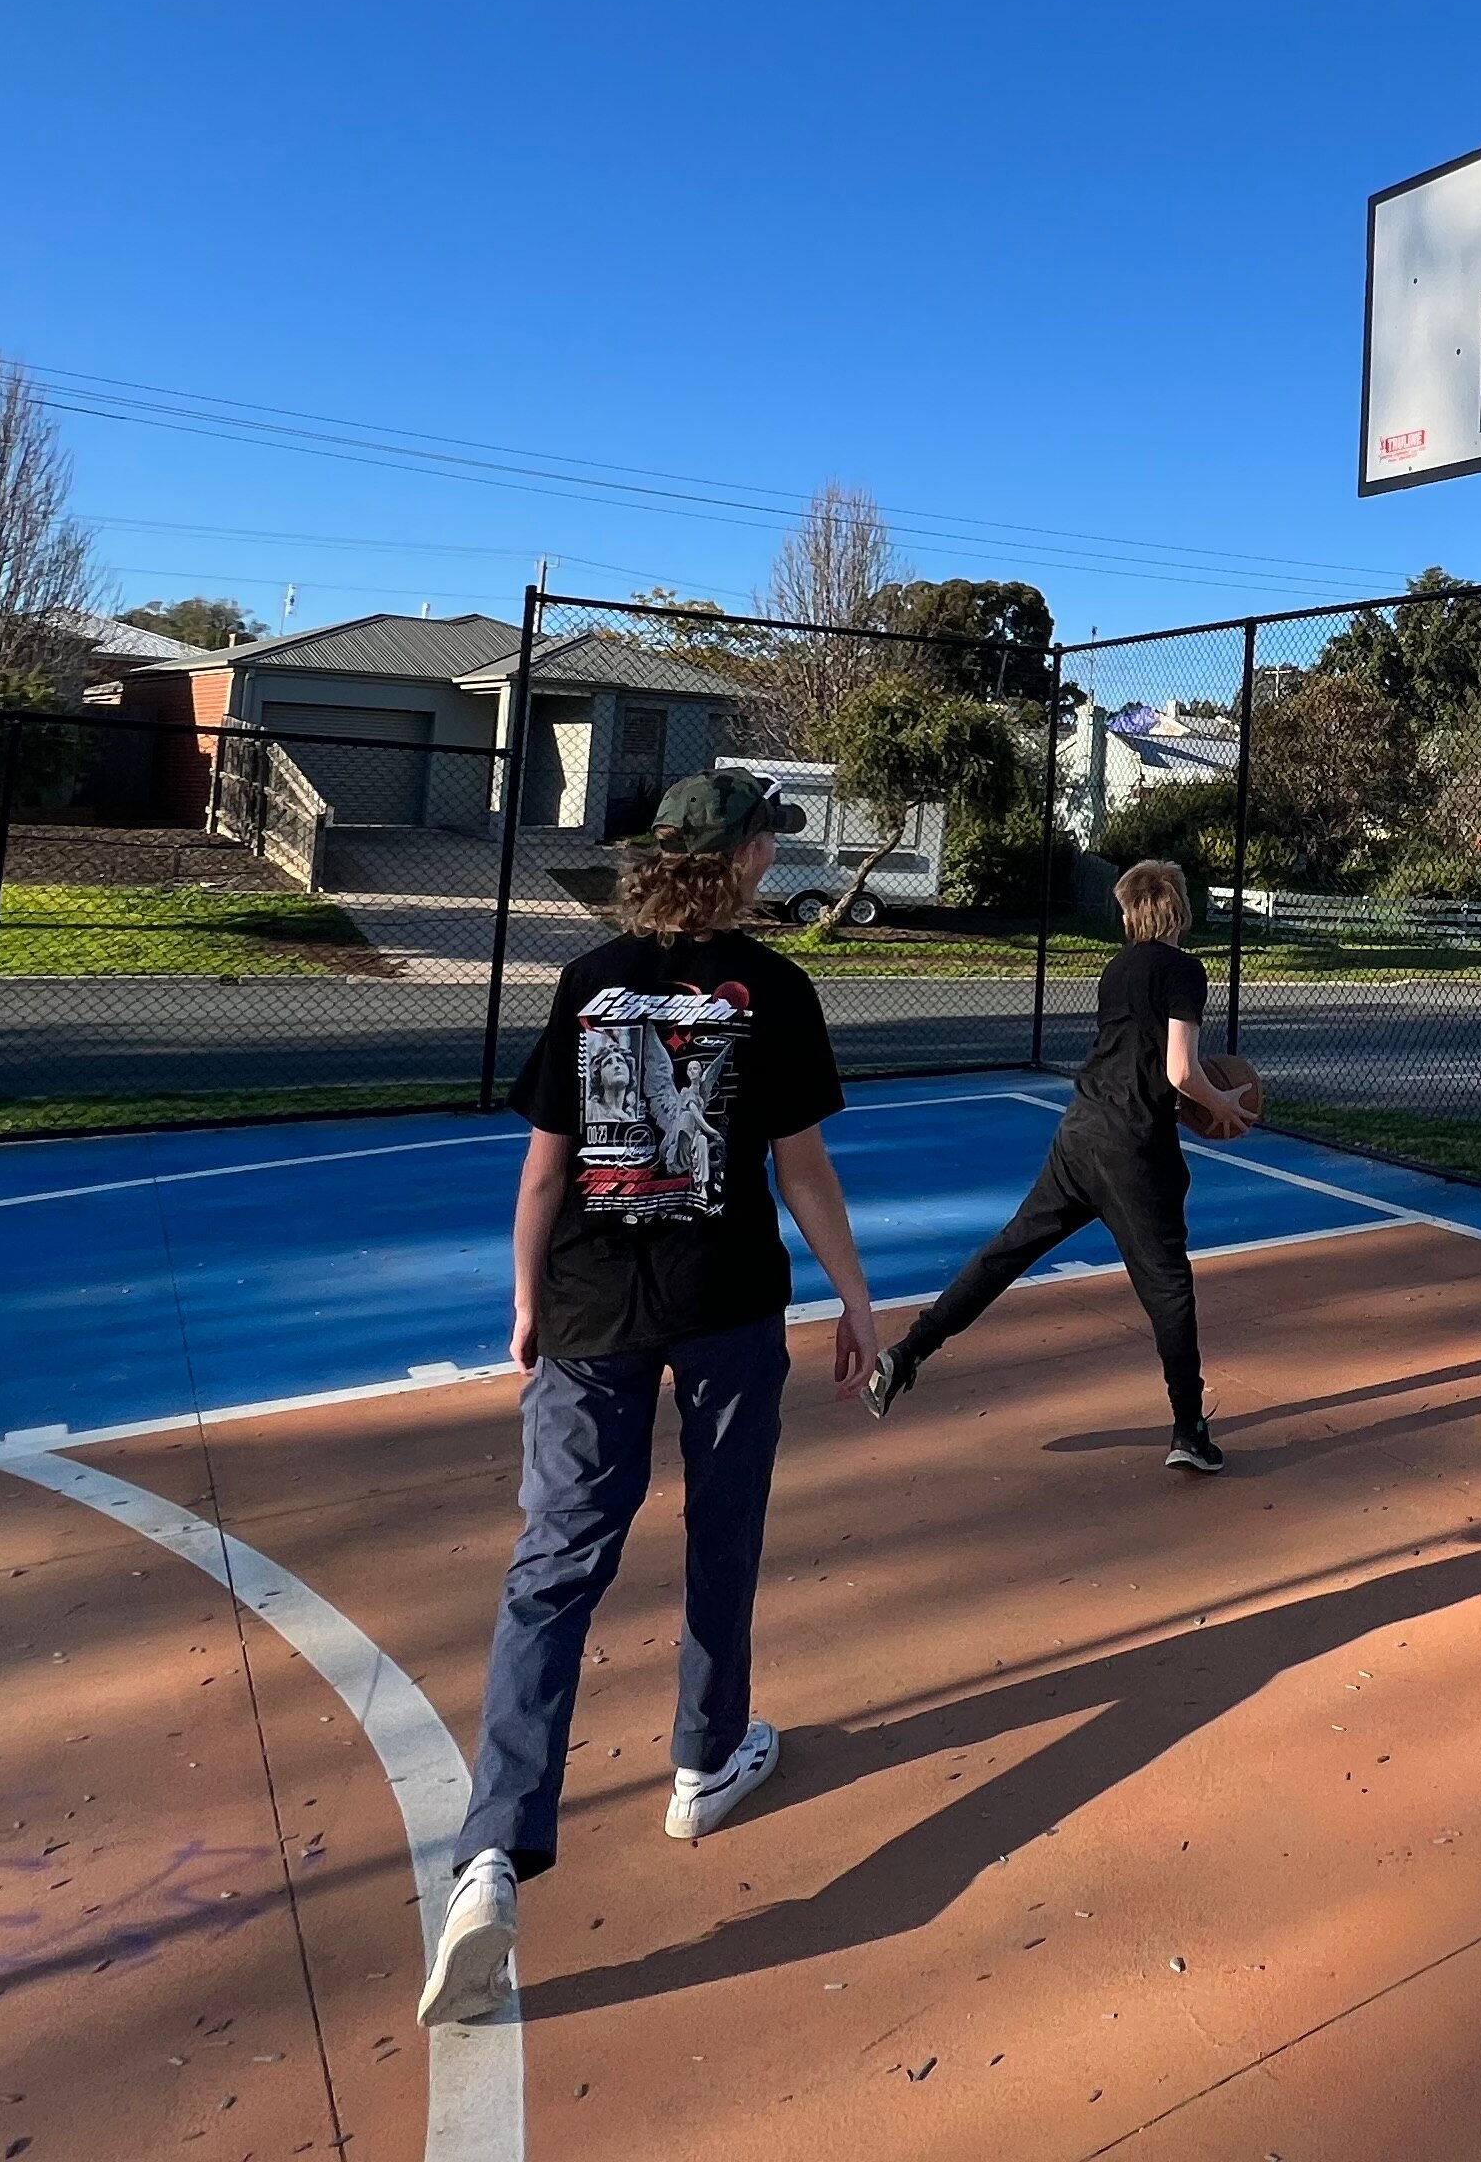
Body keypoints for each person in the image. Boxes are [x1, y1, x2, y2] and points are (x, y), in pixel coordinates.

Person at [418, 769, 881, 2027]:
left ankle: (494, 1850)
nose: (774, 852)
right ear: (744, 857)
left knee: (555, 1565)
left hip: (589, 1309)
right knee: (723, 1533)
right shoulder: (775, 989)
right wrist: (855, 1298)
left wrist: (526, 1296)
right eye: (768, 837)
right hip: (724, 1306)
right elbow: (802, 1169)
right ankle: (703, 1761)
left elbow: (544, 1171)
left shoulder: (589, 980)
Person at [864, 858, 1253, 1473]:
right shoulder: (1184, 970)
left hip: (1080, 1135)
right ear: (1181, 907)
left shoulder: (1116, 969)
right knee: (1169, 1289)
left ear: (1128, 913)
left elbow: (1137, 1062)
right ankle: (1189, 1429)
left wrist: (1175, 1100)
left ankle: (910, 1350)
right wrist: (1220, 1104)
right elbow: (1180, 1070)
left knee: (1007, 1251)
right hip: (1134, 1151)